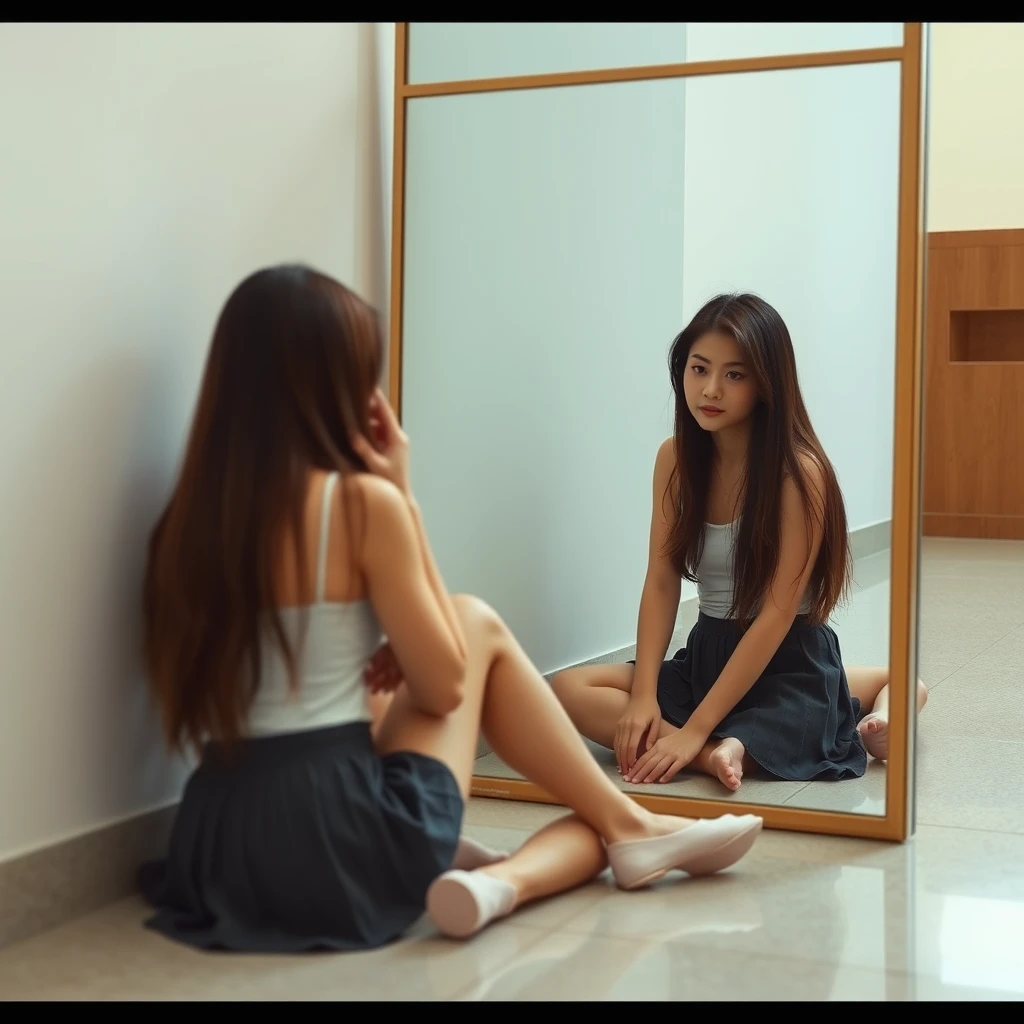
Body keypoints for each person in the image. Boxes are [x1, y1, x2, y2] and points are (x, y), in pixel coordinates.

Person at [136, 266, 764, 954]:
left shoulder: (185, 518)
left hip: (221, 838)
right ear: (331, 383)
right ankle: (626, 829)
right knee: (474, 624)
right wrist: (402, 497)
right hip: (332, 839)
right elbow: (445, 687)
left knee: (388, 680)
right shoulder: (357, 505)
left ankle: (578, 842)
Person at [552, 293, 928, 792]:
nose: (710, 389)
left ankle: (737, 742)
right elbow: (661, 581)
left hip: (786, 657)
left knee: (846, 695)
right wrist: (643, 695)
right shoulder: (675, 459)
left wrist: (695, 728)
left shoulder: (800, 472)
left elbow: (775, 615)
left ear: (767, 384)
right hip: (709, 653)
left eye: (735, 375)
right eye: (698, 368)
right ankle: (718, 755)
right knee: (568, 688)